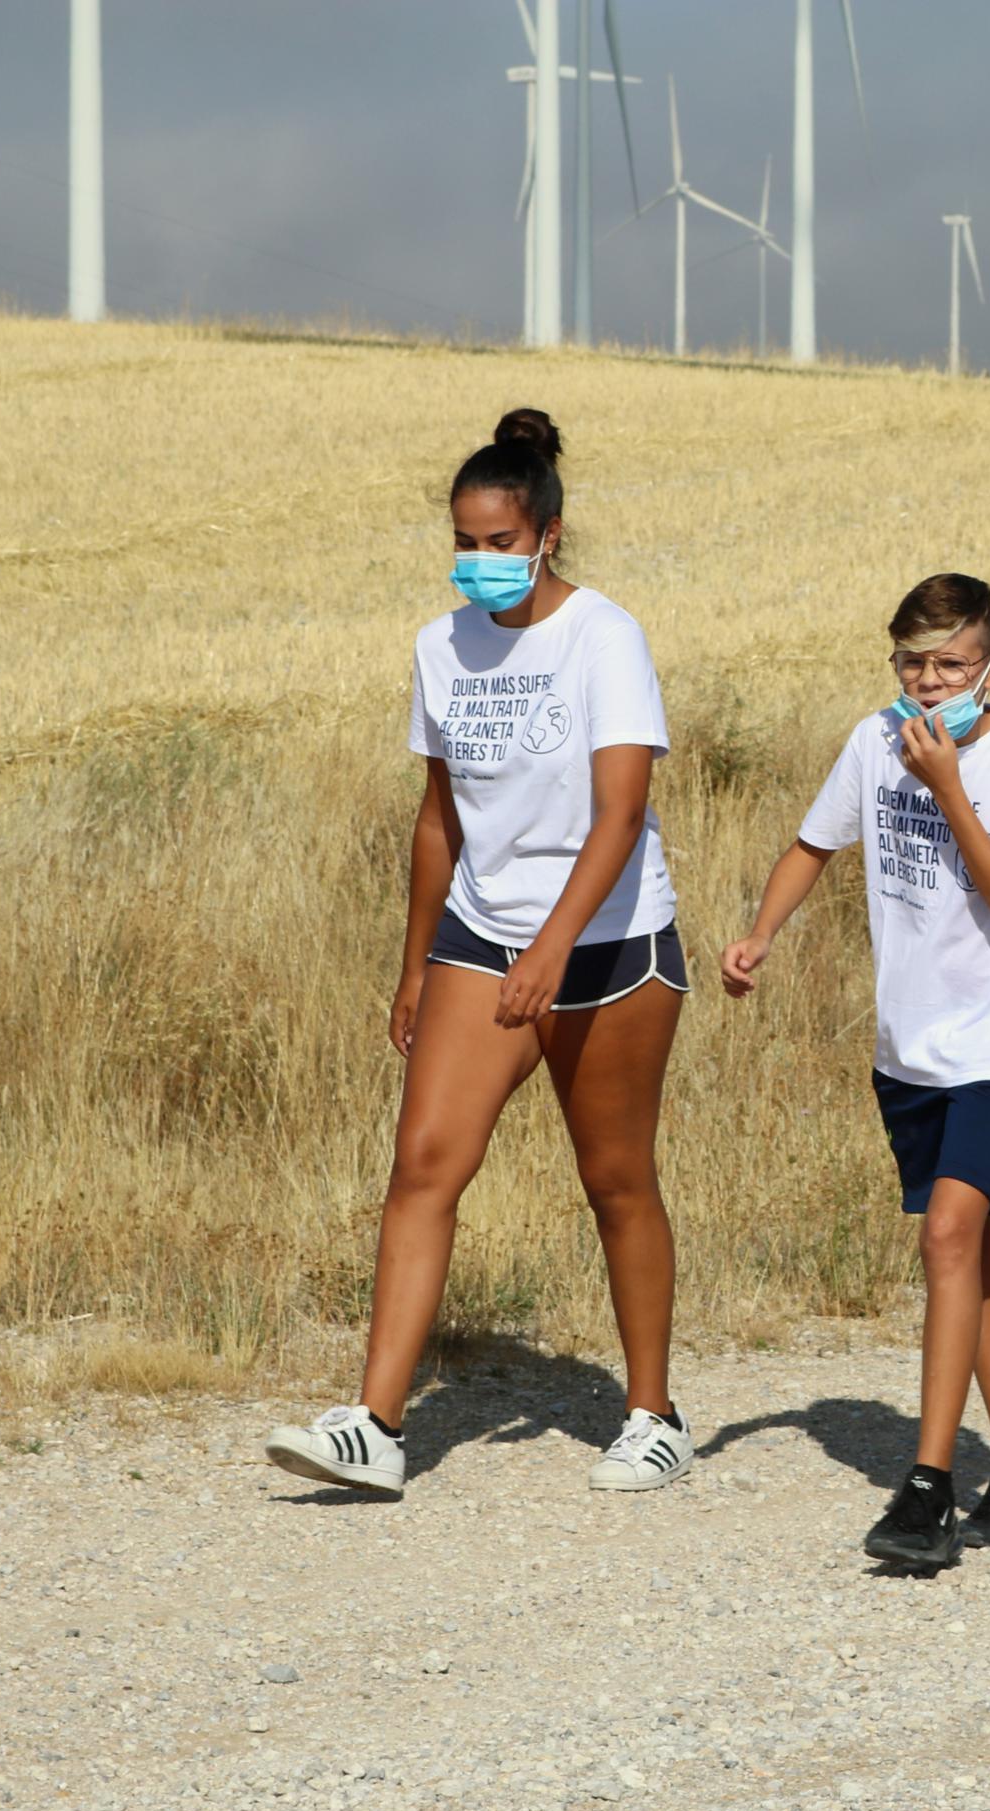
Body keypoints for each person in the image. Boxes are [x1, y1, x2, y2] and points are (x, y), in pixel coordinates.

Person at [267, 408, 696, 1498]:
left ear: (547, 534)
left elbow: (620, 811)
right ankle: (375, 1421)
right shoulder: (438, 644)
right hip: (480, 929)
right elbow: (437, 816)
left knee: (616, 1179)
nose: (478, 565)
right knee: (424, 1166)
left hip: (609, 942)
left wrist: (557, 946)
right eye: (464, 542)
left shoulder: (607, 635)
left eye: (499, 543)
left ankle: (654, 1412)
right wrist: (416, 963)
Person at [721, 573, 990, 1572]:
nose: (929, 684)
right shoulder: (875, 741)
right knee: (981, 1248)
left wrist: (948, 787)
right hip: (911, 1048)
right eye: (912, 664)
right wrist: (760, 933)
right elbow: (813, 841)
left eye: (951, 664)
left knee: (951, 1232)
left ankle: (928, 1487)